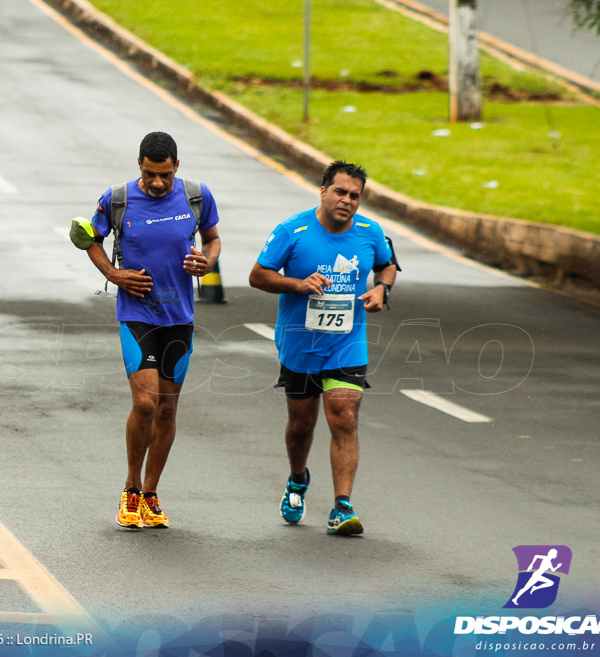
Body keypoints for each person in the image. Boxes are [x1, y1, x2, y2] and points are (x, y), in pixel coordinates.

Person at [248, 160, 398, 536]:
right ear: (323, 191)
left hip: (347, 344)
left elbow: (388, 265)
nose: (347, 201)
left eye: (354, 196)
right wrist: (298, 284)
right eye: (340, 192)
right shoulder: (292, 230)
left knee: (344, 417)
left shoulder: (370, 232)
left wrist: (382, 288)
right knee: (302, 425)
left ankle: (342, 506)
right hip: (300, 344)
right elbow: (257, 276)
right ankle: (297, 479)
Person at [84, 132, 221, 529]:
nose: (157, 182)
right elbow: (89, 238)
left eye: (164, 174)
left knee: (167, 407)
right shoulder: (118, 198)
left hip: (179, 317)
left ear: (176, 166)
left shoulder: (197, 196)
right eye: (149, 174)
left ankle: (151, 492)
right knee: (145, 403)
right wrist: (114, 274)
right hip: (137, 313)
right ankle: (129, 487)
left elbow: (212, 240)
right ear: (139, 165)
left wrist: (207, 263)